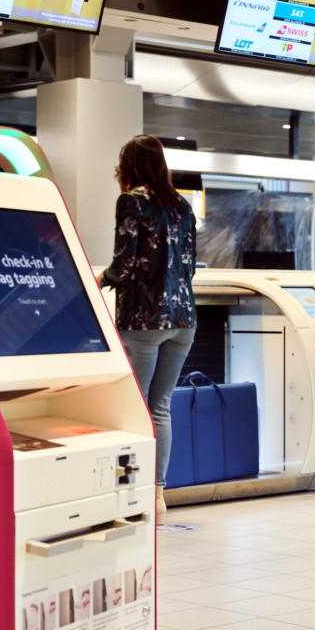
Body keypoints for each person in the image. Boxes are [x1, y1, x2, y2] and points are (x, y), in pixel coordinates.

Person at [98, 134, 197, 526]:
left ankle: (129, 494)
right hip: (183, 318)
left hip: (144, 318)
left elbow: (123, 261)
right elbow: (189, 266)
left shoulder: (132, 201)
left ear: (130, 165)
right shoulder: (182, 205)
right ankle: (157, 495)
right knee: (160, 407)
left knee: (134, 405)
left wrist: (101, 281)